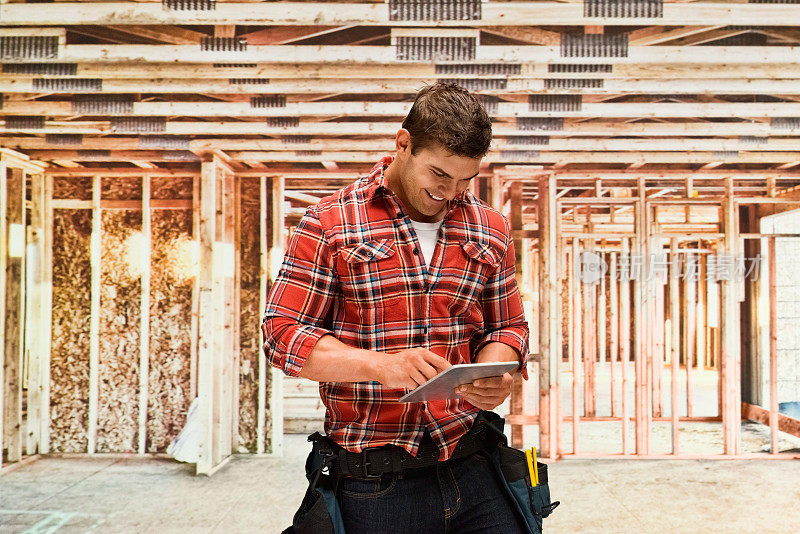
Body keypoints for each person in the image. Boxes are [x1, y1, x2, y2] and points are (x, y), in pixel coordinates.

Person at [262, 82, 530, 533]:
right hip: (376, 483)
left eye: (466, 179)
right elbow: (282, 336)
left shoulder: (490, 227)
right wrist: (381, 367)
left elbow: (510, 327)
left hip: (475, 463)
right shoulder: (330, 223)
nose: (451, 192)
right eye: (439, 175)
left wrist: (494, 374)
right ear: (403, 143)